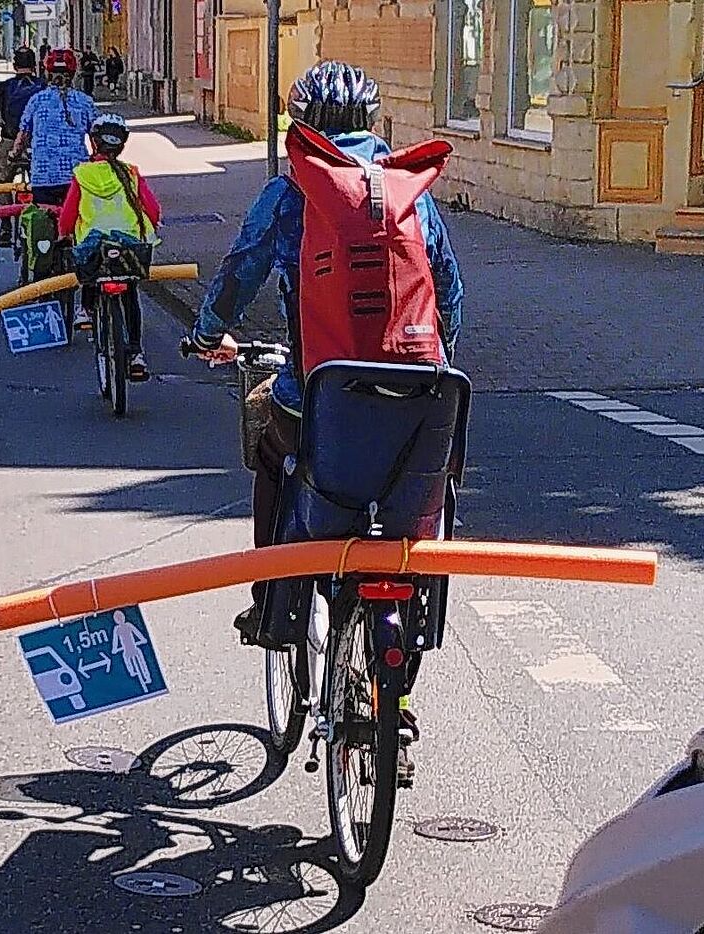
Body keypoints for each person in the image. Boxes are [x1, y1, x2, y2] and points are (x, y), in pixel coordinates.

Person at [185, 61, 464, 727]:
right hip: (418, 398)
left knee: (269, 439)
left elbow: (238, 271)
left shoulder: (290, 197)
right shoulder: (409, 193)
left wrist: (207, 334)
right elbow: (449, 291)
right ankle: (405, 639)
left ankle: (275, 603)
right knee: (424, 485)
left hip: (319, 397)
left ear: (301, 129)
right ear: (373, 126)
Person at [56, 112, 161, 379]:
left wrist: (64, 233)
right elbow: (153, 209)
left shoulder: (83, 174)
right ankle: (136, 352)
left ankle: (86, 310)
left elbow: (68, 214)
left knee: (91, 266)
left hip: (95, 245)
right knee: (130, 293)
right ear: (122, 145)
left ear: (94, 142)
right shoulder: (131, 173)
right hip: (129, 245)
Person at [12, 49, 99, 207]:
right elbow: (96, 135)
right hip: (77, 176)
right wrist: (96, 156)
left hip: (43, 177)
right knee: (78, 219)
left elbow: (23, 134)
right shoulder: (85, 101)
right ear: (73, 73)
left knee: (43, 217)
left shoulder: (36, 100)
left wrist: (15, 153)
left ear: (47, 73)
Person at [0, 46, 45, 248]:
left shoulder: (3, 88)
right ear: (35, 66)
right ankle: (45, 218)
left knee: (2, 182)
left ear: (15, 65)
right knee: (43, 184)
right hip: (37, 144)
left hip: (9, 142)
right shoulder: (44, 88)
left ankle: (6, 225)